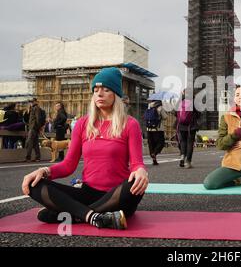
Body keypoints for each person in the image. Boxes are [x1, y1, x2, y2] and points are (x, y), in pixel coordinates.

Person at [21, 67, 149, 230]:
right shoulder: (82, 124)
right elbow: (68, 165)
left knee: (134, 185)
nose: (99, 94)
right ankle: (97, 217)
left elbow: (137, 163)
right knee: (34, 184)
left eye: (106, 89)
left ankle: (78, 214)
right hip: (88, 193)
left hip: (118, 195)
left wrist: (141, 170)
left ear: (116, 94)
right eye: (95, 90)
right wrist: (44, 171)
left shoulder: (130, 124)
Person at [175, 89, 201, 169]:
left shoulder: (180, 101)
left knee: (183, 142)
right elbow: (199, 113)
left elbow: (175, 112)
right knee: (190, 143)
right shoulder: (194, 101)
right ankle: (188, 162)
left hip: (181, 126)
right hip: (191, 126)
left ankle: (182, 155)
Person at [144, 100, 168, 165]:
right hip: (158, 129)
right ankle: (154, 153)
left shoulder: (149, 106)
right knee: (161, 143)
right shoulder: (160, 107)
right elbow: (165, 117)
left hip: (149, 129)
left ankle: (154, 159)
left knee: (151, 144)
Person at [25, 98, 44, 162]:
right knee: (35, 143)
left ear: (36, 101)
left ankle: (28, 157)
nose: (31, 103)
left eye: (32, 101)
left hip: (33, 128)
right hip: (33, 128)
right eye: (30, 102)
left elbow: (38, 119)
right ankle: (37, 157)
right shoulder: (32, 108)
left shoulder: (36, 108)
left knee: (29, 142)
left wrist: (39, 128)